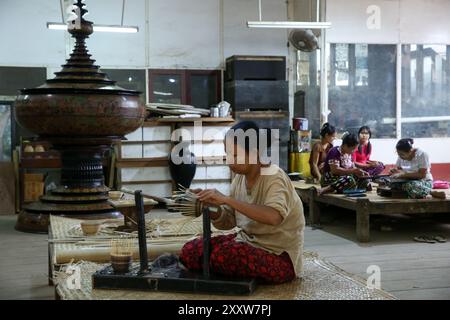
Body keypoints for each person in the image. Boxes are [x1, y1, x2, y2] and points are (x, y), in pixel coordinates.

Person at [180, 121, 305, 284]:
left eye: (235, 155)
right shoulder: (239, 179)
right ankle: (219, 266)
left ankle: (218, 266)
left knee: (223, 255)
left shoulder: (275, 177)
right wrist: (209, 207)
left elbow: (274, 217)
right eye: (227, 155)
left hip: (279, 255)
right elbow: (229, 221)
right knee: (191, 250)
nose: (229, 161)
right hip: (248, 241)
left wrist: (227, 199)